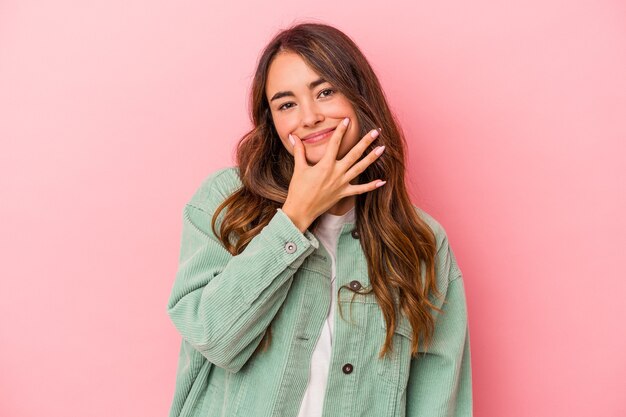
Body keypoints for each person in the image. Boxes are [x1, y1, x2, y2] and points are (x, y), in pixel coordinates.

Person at [166, 22, 472, 417]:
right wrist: (295, 216)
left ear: (360, 98)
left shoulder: (419, 242)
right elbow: (214, 336)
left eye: (325, 92)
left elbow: (439, 400)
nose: (309, 117)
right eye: (286, 104)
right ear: (272, 121)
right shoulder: (224, 205)